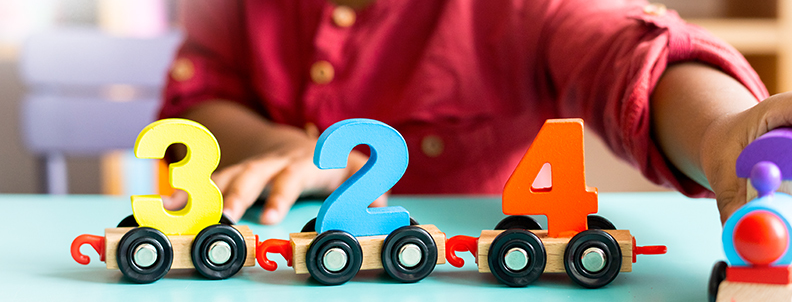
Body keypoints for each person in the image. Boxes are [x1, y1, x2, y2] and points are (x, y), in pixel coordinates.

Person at [160, 0, 789, 226]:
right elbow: (199, 98)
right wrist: (279, 144)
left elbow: (626, 57)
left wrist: (721, 132)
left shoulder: (522, 8)